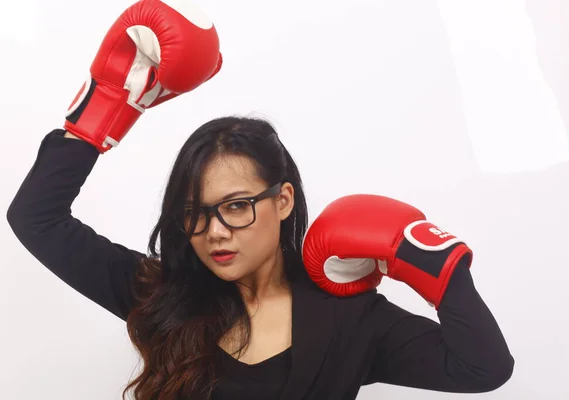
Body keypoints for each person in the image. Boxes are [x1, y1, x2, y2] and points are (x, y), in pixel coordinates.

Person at [6, 1, 514, 399]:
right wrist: (105, 106)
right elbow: (36, 218)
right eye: (195, 213)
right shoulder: (161, 294)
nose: (214, 232)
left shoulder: (352, 320)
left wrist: (433, 262)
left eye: (235, 206)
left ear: (284, 200)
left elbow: (483, 367)